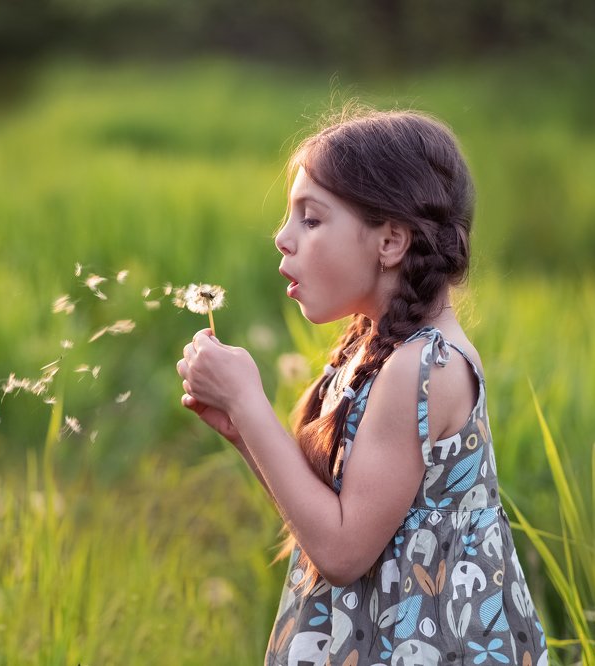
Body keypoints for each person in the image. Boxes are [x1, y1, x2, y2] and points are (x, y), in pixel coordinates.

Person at [176, 109, 548, 666]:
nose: (282, 238)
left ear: (391, 240)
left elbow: (343, 551)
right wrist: (241, 429)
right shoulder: (375, 346)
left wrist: (252, 404)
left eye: (311, 219)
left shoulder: (425, 367)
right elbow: (331, 511)